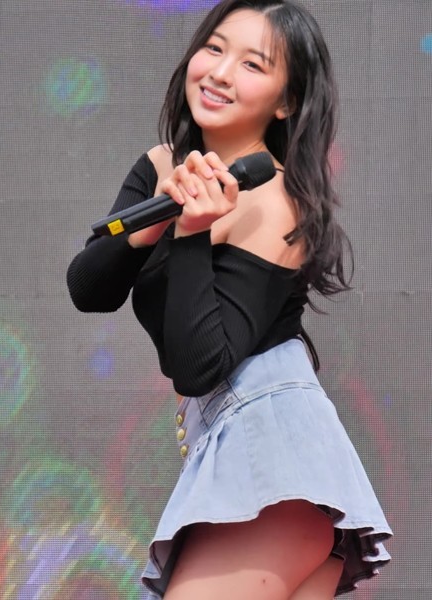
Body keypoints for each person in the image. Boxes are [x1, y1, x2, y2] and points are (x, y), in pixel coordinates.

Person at [67, 1, 392, 598]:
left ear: (286, 101)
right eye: (214, 49)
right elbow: (89, 289)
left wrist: (192, 232)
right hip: (248, 462)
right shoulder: (161, 166)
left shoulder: (279, 204)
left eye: (252, 64)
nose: (219, 72)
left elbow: (198, 365)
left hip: (273, 467)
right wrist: (154, 223)